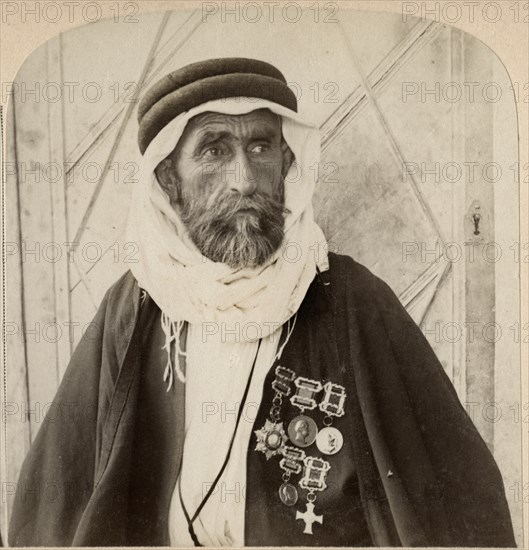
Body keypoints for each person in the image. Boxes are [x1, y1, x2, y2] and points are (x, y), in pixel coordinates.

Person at [8, 58, 516, 547]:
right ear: (168, 180)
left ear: (287, 162)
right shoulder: (136, 304)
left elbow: (455, 500)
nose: (245, 180)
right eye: (213, 149)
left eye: (259, 147)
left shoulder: (354, 301)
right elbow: (56, 500)